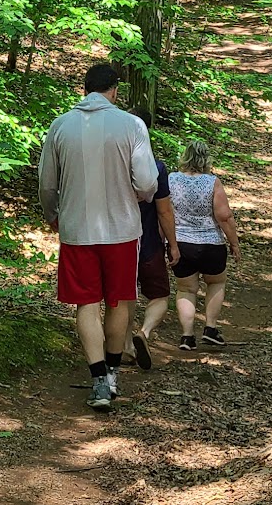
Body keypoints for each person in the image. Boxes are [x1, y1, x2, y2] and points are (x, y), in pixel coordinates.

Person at [38, 59, 158, 410]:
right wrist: (138, 196)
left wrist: (53, 215)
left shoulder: (60, 126)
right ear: (114, 91)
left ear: (84, 89)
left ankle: (97, 381)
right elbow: (148, 182)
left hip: (77, 230)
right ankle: (114, 374)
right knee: (119, 299)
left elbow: (46, 182)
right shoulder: (132, 125)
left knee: (86, 304)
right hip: (122, 229)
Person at [168, 139, 240, 350]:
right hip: (211, 244)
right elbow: (224, 216)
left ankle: (187, 336)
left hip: (181, 243)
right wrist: (234, 243)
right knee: (216, 282)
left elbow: (165, 212)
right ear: (205, 159)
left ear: (185, 156)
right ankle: (210, 328)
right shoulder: (212, 182)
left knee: (186, 289)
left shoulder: (172, 180)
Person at [129, 108, 177, 369]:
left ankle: (122, 346)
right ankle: (144, 332)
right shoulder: (156, 168)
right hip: (149, 245)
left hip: (119, 242)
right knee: (159, 296)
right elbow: (164, 211)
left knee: (123, 297)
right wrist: (173, 245)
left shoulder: (114, 167)